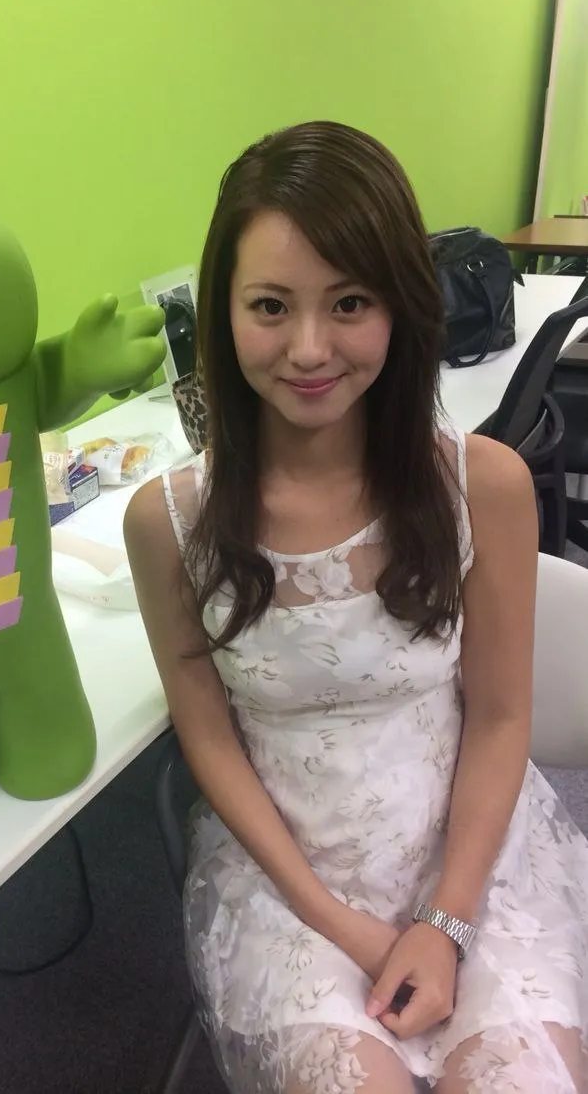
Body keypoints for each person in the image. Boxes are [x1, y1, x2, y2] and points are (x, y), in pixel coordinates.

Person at [124, 122, 588, 1093]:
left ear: (400, 307)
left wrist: (445, 921)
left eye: (349, 303)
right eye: (269, 305)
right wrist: (347, 926)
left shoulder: (482, 485)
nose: (308, 348)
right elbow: (208, 738)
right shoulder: (170, 522)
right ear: (221, 313)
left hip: (470, 855)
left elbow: (500, 716)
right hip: (292, 883)